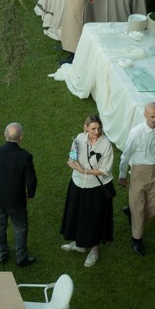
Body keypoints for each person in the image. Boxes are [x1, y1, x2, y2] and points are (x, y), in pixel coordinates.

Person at [60, 114, 116, 266]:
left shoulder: (105, 145)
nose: (96, 132)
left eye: (99, 128)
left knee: (94, 218)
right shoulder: (79, 138)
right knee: (76, 213)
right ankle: (79, 243)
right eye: (93, 129)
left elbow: (105, 169)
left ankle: (94, 250)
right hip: (77, 184)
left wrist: (84, 170)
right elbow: (73, 154)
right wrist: (72, 161)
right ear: (86, 128)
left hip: (95, 188)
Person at [0, 123, 38, 267]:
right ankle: (21, 257)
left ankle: (2, 255)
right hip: (16, 200)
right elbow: (31, 180)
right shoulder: (25, 156)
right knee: (20, 227)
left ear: (4, 134)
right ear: (21, 137)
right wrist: (30, 194)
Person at [118, 101, 155, 256]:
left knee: (154, 203)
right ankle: (137, 240)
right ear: (145, 115)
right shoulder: (135, 133)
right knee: (138, 204)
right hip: (139, 172)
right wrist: (122, 175)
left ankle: (133, 214)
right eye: (152, 116)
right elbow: (126, 155)